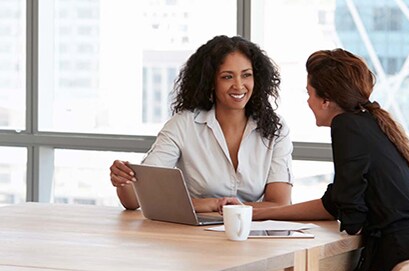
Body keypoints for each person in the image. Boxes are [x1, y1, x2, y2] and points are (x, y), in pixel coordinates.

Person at [239, 48, 409, 271]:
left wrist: (345, 208)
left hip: (395, 259)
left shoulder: (346, 125)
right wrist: (259, 212)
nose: (307, 101)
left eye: (309, 93)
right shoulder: (369, 122)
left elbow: (349, 212)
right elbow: (335, 203)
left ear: (325, 101)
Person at [109, 35, 293, 212]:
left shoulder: (275, 129)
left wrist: (217, 207)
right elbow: (134, 200)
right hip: (194, 236)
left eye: (246, 75)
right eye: (227, 77)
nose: (239, 85)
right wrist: (123, 179)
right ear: (210, 82)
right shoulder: (183, 125)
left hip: (255, 235)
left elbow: (279, 204)